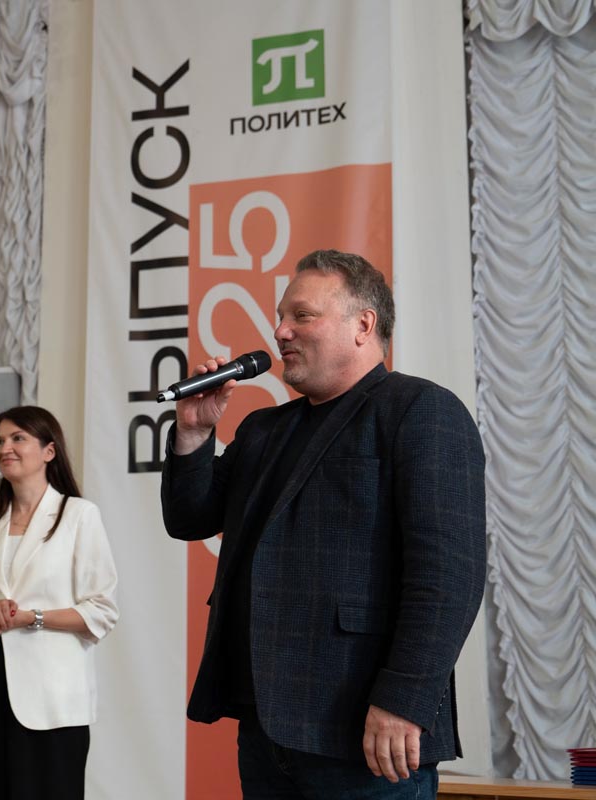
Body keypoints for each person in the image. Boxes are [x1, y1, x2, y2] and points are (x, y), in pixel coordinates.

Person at [161, 249, 486, 799]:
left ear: (364, 325)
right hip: (267, 732)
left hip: (365, 734)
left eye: (302, 316)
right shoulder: (264, 429)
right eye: (281, 317)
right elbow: (189, 518)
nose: (280, 331)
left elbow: (448, 578)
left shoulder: (421, 410)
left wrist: (403, 700)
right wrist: (193, 433)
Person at [0, 405, 119, 800]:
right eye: (0, 441)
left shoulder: (79, 515)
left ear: (49, 451)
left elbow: (102, 609)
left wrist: (31, 617)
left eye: (18, 438)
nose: (5, 448)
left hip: (51, 702)